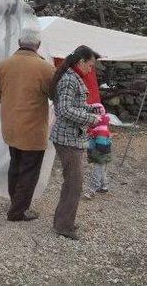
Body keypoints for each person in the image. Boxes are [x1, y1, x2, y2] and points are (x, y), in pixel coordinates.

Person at [0, 24, 55, 221]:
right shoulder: (46, 68)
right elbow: (54, 95)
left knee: (15, 164)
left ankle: (15, 201)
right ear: (38, 44)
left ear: (20, 42)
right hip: (33, 128)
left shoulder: (3, 65)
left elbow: (0, 95)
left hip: (10, 124)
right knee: (30, 169)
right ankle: (17, 211)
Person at [49, 45, 103, 240]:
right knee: (74, 183)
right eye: (90, 65)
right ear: (81, 62)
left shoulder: (72, 77)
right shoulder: (70, 79)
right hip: (67, 138)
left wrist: (92, 109)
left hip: (72, 137)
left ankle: (64, 221)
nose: (91, 69)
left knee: (73, 182)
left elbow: (75, 106)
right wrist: (90, 119)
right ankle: (63, 225)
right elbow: (64, 110)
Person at [83, 108, 112, 199]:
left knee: (96, 172)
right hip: (102, 154)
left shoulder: (101, 130)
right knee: (101, 171)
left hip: (100, 154)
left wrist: (95, 153)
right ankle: (104, 186)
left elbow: (101, 145)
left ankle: (92, 190)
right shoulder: (97, 128)